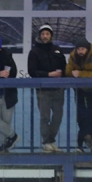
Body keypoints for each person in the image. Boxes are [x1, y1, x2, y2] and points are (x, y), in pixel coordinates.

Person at [27, 24, 67, 153]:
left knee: (58, 117)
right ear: (39, 35)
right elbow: (32, 71)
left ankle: (51, 140)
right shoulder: (34, 52)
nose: (45, 36)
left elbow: (64, 68)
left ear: (51, 35)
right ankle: (46, 142)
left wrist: (63, 84)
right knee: (45, 117)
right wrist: (49, 75)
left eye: (47, 34)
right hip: (43, 90)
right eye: (43, 34)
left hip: (58, 90)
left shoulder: (57, 50)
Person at [66, 38, 92, 153]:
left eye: (82, 49)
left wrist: (80, 74)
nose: (80, 51)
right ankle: (85, 140)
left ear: (87, 49)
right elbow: (68, 71)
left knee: (90, 114)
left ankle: (91, 140)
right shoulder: (73, 56)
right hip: (79, 91)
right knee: (81, 116)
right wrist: (74, 74)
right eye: (78, 49)